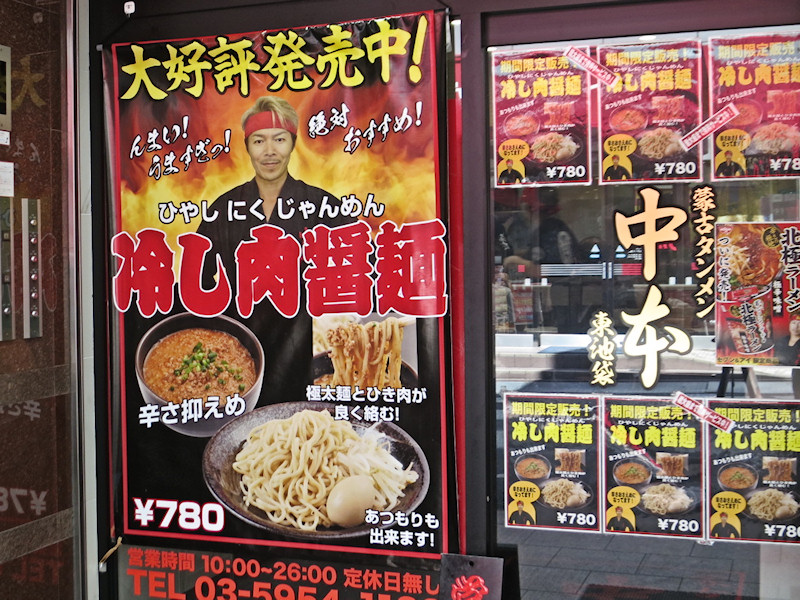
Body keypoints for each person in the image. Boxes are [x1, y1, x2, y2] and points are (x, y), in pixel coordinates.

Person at [197, 96, 354, 405]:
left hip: (310, 361)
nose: (269, 151)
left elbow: (358, 278)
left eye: (279, 139)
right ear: (247, 146)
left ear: (292, 143)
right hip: (237, 361)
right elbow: (199, 285)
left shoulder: (324, 207)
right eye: (259, 141)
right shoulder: (223, 209)